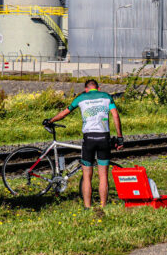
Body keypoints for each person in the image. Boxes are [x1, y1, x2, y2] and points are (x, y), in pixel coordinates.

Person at [45, 80, 123, 209]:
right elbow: (115, 115)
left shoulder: (81, 98)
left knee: (87, 176)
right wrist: (120, 137)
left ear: (86, 89)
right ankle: (103, 205)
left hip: (89, 139)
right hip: (104, 138)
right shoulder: (106, 97)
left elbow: (64, 113)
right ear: (98, 88)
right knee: (103, 176)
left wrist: (51, 120)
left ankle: (87, 206)